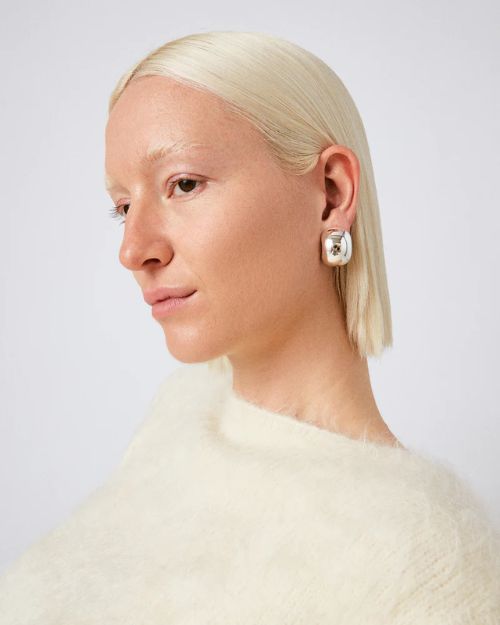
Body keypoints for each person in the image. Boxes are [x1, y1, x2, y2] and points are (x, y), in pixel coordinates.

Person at [0, 30, 499, 623]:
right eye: (123, 206)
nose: (133, 249)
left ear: (331, 193)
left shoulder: (433, 560)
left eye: (183, 184)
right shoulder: (180, 419)